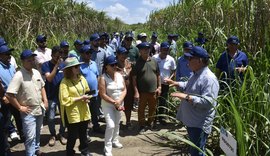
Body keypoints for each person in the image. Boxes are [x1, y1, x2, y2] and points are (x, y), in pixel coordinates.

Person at [165, 46, 219, 156]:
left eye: (190, 59)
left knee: (197, 152)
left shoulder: (209, 78)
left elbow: (208, 102)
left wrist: (186, 97)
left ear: (199, 61)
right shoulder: (196, 73)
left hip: (199, 124)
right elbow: (189, 85)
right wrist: (176, 83)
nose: (187, 61)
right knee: (195, 149)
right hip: (192, 121)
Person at [6, 49, 48, 156]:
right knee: (30, 136)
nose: (32, 62)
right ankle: (30, 154)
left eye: (32, 59)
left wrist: (45, 100)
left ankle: (36, 150)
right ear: (23, 61)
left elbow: (42, 86)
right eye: (29, 60)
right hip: (28, 111)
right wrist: (20, 108)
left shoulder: (36, 72)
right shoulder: (19, 75)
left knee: (37, 133)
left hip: (39, 108)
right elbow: (9, 94)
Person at [59, 57, 92, 156]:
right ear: (70, 69)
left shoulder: (82, 78)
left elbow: (87, 90)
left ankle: (84, 151)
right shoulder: (64, 82)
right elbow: (64, 99)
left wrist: (87, 97)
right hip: (72, 113)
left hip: (83, 110)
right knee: (73, 135)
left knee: (83, 133)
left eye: (79, 66)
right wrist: (80, 98)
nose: (79, 68)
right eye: (76, 66)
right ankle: (69, 152)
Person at [99, 55, 126, 156]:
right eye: (112, 65)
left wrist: (120, 100)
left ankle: (115, 140)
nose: (115, 66)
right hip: (108, 105)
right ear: (106, 66)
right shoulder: (103, 78)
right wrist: (115, 102)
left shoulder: (119, 75)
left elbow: (124, 89)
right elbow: (102, 94)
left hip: (119, 103)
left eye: (115, 64)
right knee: (110, 125)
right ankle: (107, 148)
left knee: (117, 122)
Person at [132, 42, 161, 133]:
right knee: (141, 109)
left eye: (148, 49)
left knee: (153, 108)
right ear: (140, 51)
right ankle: (142, 125)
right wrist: (136, 92)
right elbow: (134, 79)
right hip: (142, 91)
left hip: (153, 91)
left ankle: (150, 123)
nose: (146, 51)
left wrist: (159, 86)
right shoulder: (137, 63)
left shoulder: (154, 61)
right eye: (144, 49)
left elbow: (158, 75)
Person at [41, 46, 66, 146]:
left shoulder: (63, 64)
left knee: (63, 117)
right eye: (56, 56)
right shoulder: (46, 65)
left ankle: (62, 134)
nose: (58, 58)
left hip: (63, 95)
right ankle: (52, 135)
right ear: (51, 55)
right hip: (51, 96)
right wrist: (56, 66)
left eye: (60, 56)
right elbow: (49, 79)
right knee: (51, 118)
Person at [79, 45, 104, 134]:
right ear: (82, 54)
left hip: (95, 93)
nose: (89, 54)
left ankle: (96, 127)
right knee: (85, 114)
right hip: (85, 94)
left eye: (90, 52)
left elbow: (97, 76)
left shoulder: (93, 63)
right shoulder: (79, 66)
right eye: (87, 53)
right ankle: (85, 133)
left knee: (95, 112)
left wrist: (98, 88)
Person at [152, 42, 176, 125]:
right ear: (160, 49)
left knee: (163, 101)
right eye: (164, 49)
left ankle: (161, 118)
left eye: (167, 49)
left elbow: (173, 71)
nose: (165, 51)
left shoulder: (171, 59)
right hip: (155, 83)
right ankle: (154, 117)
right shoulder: (154, 58)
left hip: (165, 84)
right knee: (154, 100)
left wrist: (170, 79)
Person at [115, 47, 133, 129]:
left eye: (125, 54)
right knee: (117, 105)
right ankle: (116, 123)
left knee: (128, 105)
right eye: (122, 54)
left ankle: (128, 121)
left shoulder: (128, 63)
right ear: (117, 55)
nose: (124, 55)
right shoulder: (114, 64)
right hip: (118, 89)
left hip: (128, 88)